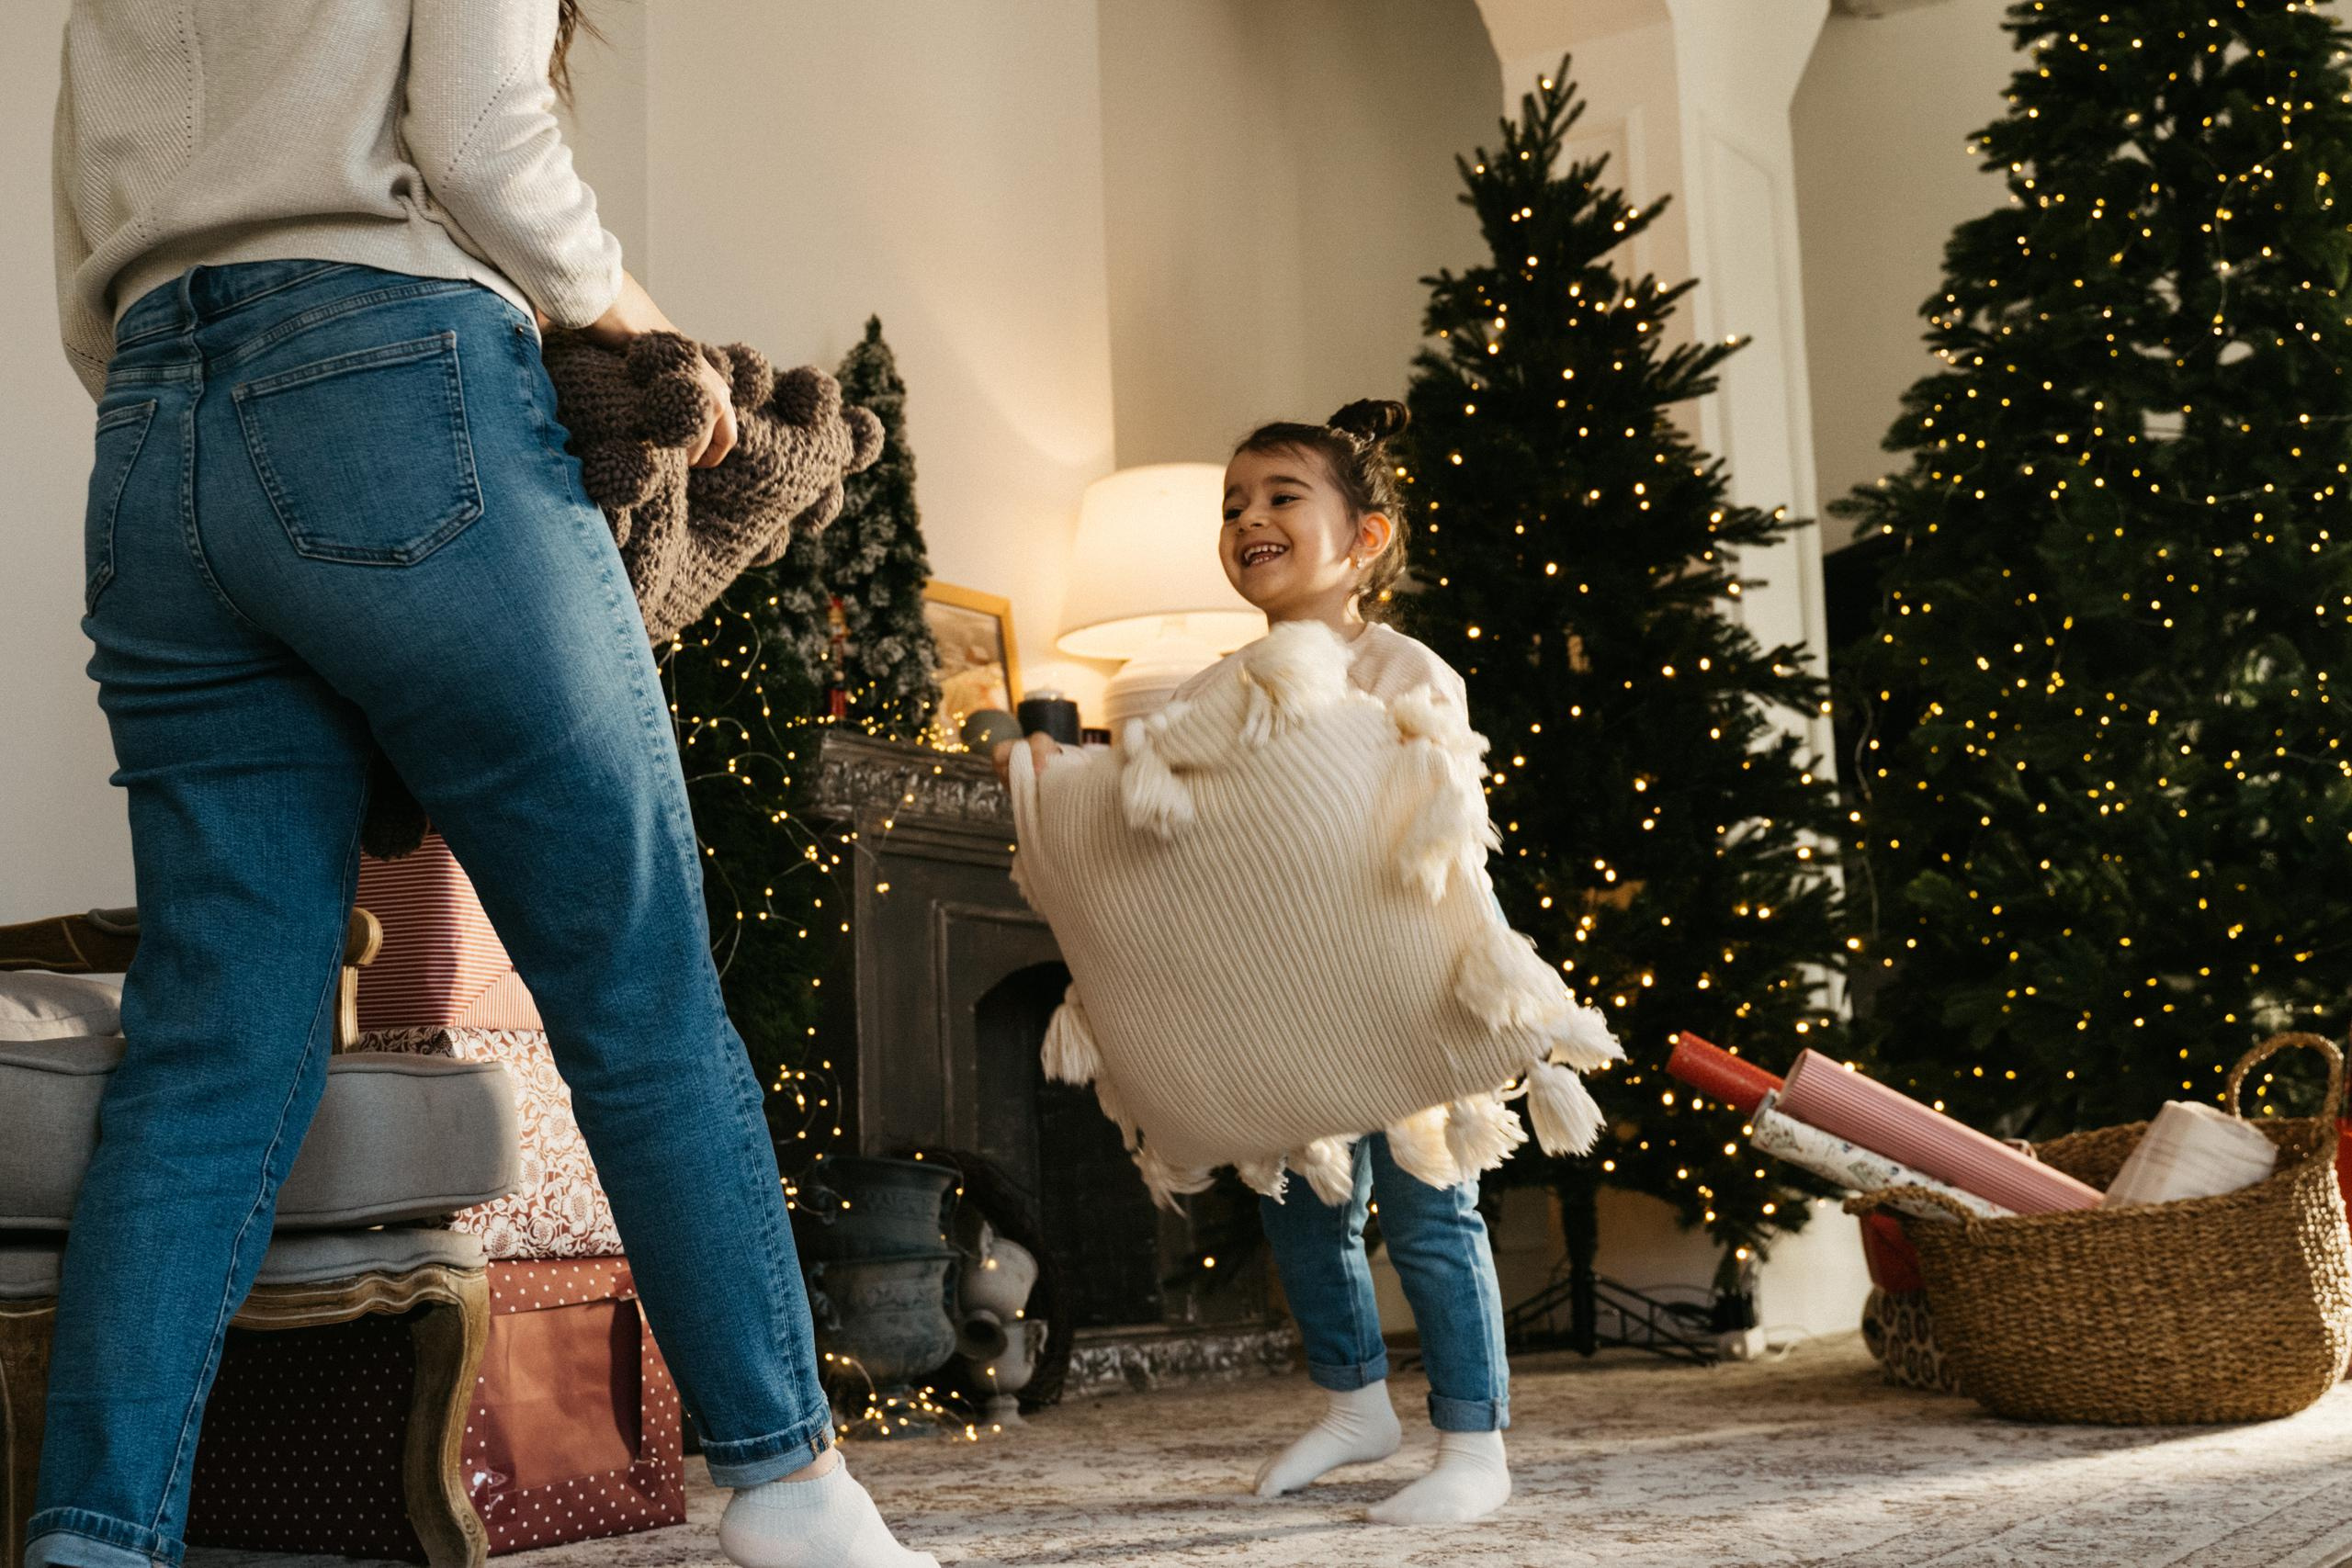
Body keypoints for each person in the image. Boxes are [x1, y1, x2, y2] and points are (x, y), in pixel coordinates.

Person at [43, 6, 936, 1566]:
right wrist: (634, 317)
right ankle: (795, 1495)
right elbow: (482, 141)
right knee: (634, 977)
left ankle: (94, 1539)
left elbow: (86, 259)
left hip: (150, 445)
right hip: (397, 377)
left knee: (208, 1049)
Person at [999, 400, 1517, 1526]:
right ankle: (1353, 1403)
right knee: (1303, 1207)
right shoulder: (1208, 690)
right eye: (1233, 505)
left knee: (1432, 1211)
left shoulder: (1402, 664)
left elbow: (1420, 805)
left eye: (1282, 497)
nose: (1249, 519)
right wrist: (1055, 779)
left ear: (1364, 538)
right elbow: (1161, 819)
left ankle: (1472, 1442)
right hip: (1289, 1006)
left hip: (1402, 987)